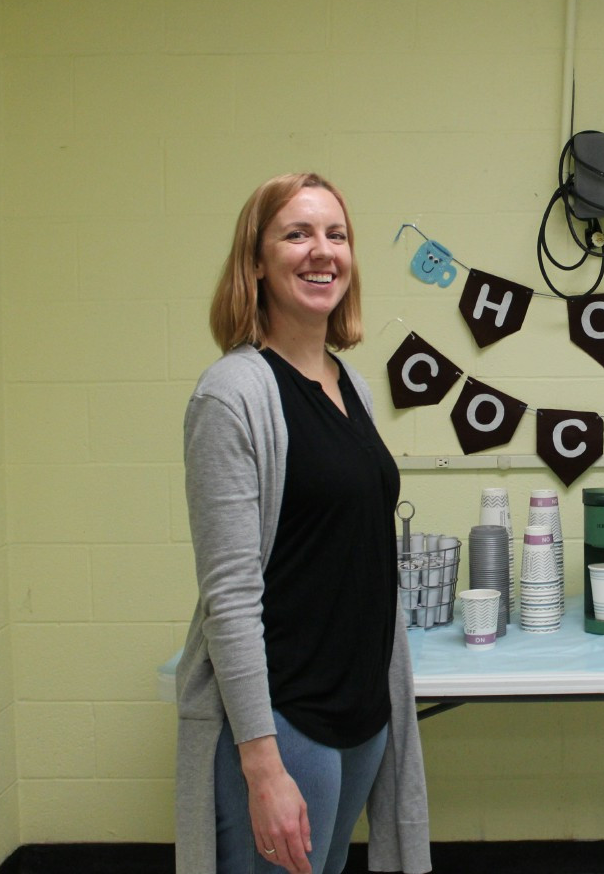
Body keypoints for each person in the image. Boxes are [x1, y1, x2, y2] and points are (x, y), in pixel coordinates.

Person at [174, 173, 431, 874]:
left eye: (336, 235)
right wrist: (263, 766)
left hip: (362, 716)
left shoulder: (354, 389)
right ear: (255, 261)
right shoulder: (232, 395)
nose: (323, 252)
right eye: (297, 234)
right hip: (286, 726)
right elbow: (228, 594)